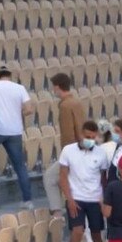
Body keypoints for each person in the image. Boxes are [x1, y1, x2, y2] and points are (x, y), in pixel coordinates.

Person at [0, 65, 34, 209]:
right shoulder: (19, 88)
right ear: (10, 75)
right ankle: (27, 200)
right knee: (20, 166)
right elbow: (29, 109)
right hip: (15, 130)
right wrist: (16, 113)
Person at [58, 120, 108, 242]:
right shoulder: (68, 150)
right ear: (80, 134)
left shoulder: (101, 153)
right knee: (77, 232)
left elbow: (103, 180)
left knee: (96, 235)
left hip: (95, 199)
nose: (90, 140)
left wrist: (103, 201)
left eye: (93, 137)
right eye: (87, 137)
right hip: (76, 198)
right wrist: (69, 199)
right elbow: (63, 177)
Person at [43, 73, 86, 219]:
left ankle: (57, 213)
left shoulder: (65, 106)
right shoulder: (76, 102)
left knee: (50, 177)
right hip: (83, 148)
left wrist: (66, 159)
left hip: (73, 152)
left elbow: (68, 135)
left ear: (57, 87)